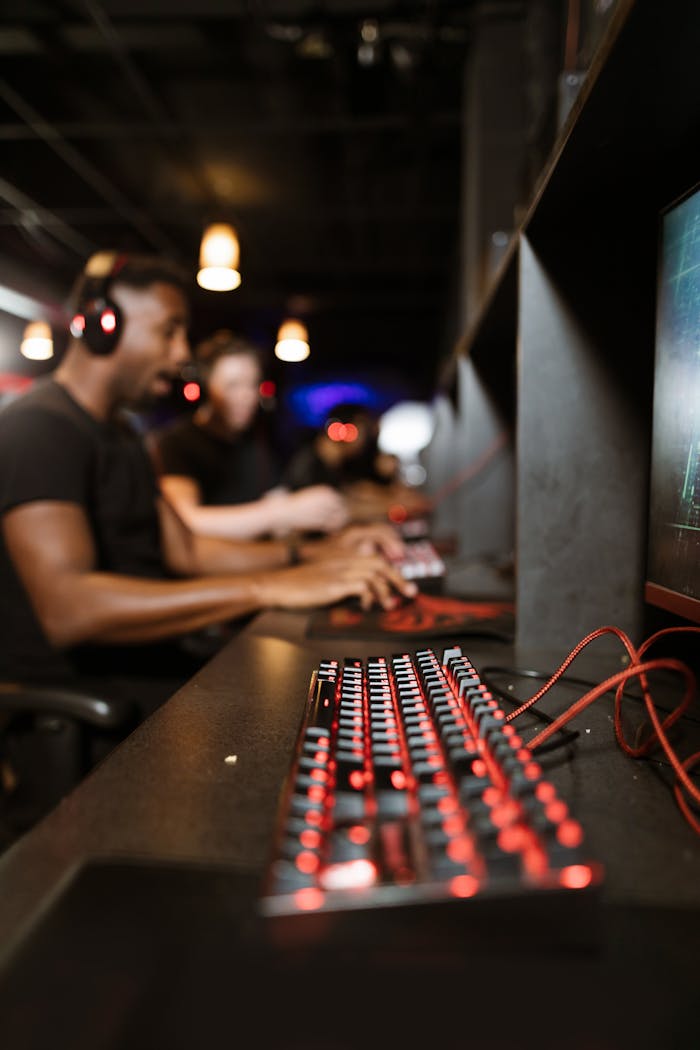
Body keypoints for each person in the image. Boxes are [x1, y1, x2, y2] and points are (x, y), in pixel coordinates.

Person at [0, 252, 416, 716]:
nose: (181, 354)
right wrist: (269, 587)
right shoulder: (40, 428)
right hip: (95, 699)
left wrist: (318, 557)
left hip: (151, 664)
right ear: (103, 324)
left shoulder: (121, 434)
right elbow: (68, 610)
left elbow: (188, 551)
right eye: (168, 330)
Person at [149, 330, 349, 541]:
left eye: (252, 384)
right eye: (233, 385)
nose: (246, 396)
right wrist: (281, 513)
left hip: (257, 562)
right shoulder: (177, 443)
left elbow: (276, 507)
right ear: (207, 386)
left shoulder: (258, 438)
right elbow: (185, 521)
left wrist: (317, 514)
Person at [283, 402, 432, 524]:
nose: (364, 440)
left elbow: (357, 492)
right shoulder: (309, 465)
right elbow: (340, 508)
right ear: (343, 432)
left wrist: (392, 498)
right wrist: (395, 506)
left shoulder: (337, 463)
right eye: (362, 431)